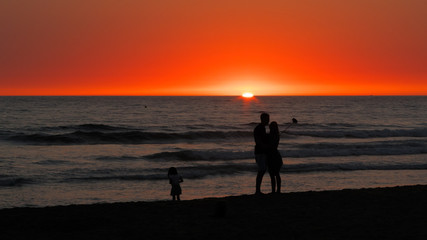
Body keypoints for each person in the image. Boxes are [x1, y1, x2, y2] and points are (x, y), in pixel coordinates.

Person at [254, 112, 270, 194]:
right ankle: (257, 190)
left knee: (262, 170)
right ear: (263, 119)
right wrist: (264, 146)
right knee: (261, 170)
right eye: (267, 119)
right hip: (260, 152)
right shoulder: (259, 128)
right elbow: (258, 140)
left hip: (261, 151)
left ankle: (258, 190)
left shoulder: (262, 128)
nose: (268, 120)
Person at [267, 121, 283, 193]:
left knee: (273, 174)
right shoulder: (276, 135)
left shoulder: (271, 136)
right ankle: (277, 190)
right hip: (275, 155)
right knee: (276, 174)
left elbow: (270, 145)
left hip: (272, 156)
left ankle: (275, 190)